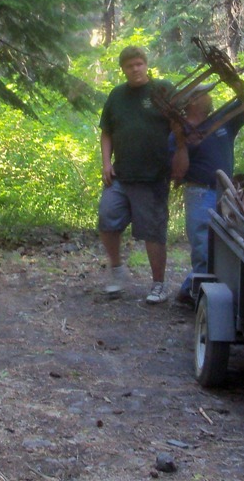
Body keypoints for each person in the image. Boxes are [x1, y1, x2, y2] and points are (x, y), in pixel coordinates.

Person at [98, 45, 176, 304]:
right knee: (107, 218)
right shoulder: (117, 96)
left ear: (146, 64)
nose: (135, 69)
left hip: (152, 176)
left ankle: (158, 285)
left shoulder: (162, 90)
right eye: (130, 66)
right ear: (123, 70)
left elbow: (181, 126)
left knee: (152, 231)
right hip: (121, 175)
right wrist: (106, 162)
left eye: (139, 63)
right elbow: (106, 131)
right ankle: (118, 272)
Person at [170, 87, 244, 305]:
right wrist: (180, 142)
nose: (210, 96)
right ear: (193, 101)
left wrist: (234, 80)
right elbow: (178, 173)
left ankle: (191, 289)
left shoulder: (222, 121)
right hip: (199, 192)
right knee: (204, 246)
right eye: (205, 93)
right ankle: (198, 296)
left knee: (227, 244)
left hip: (225, 193)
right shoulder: (180, 131)